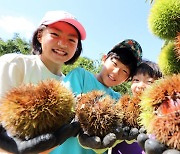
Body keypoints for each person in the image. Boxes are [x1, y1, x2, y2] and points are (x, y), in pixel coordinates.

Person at [0, 10, 86, 153]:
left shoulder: (70, 86)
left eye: (71, 39)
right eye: (55, 34)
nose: (63, 43)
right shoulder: (13, 64)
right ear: (40, 35)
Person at [50, 39, 143, 154]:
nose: (116, 72)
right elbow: (63, 105)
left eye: (124, 71)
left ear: (127, 79)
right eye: (114, 63)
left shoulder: (118, 99)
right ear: (104, 59)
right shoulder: (80, 75)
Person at [112, 60, 162, 154]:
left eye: (149, 82)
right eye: (136, 80)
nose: (140, 86)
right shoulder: (121, 108)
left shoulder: (162, 114)